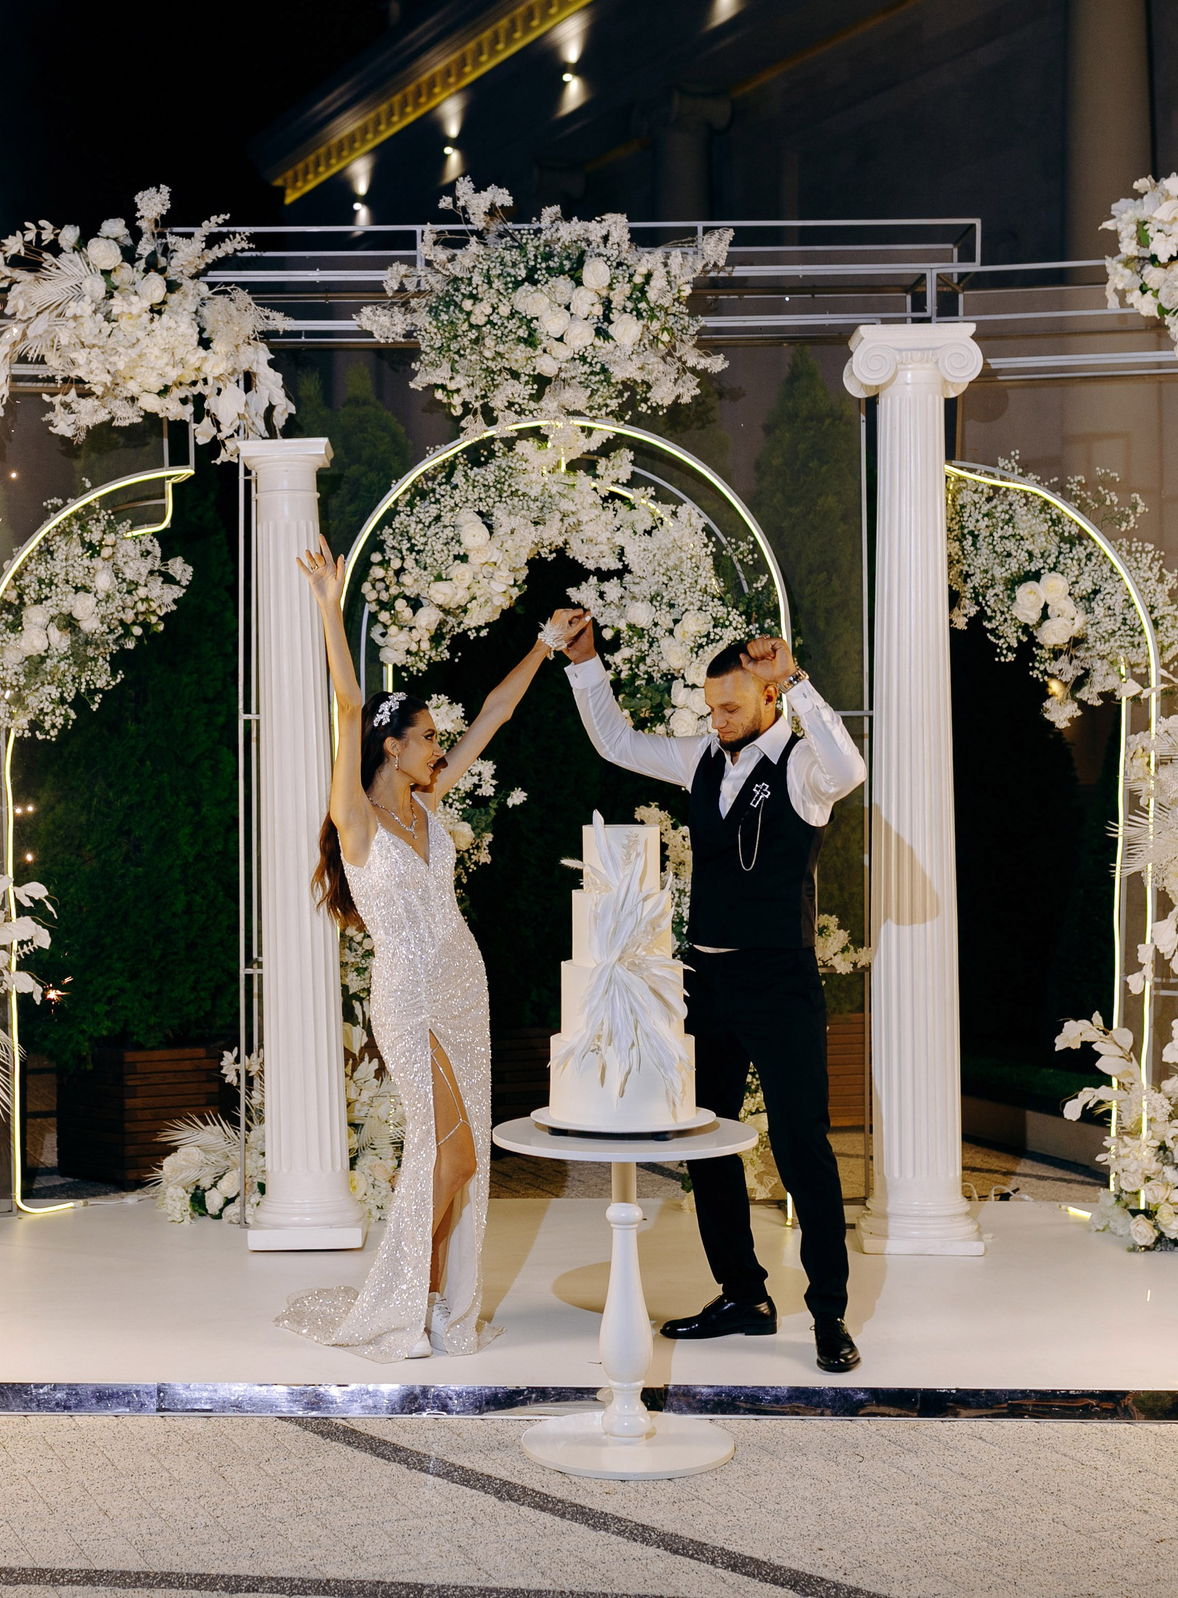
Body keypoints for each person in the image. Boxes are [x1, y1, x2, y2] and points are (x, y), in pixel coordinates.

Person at [555, 612, 869, 1373]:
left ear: (767, 698)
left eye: (731, 706)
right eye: (711, 707)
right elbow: (618, 743)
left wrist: (798, 679)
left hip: (780, 980)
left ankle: (829, 1315)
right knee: (702, 1136)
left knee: (803, 1149)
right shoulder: (701, 756)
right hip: (706, 978)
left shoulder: (801, 767)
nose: (717, 719)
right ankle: (744, 1294)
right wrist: (585, 663)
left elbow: (849, 771)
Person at [275, 534, 558, 1360]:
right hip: (408, 993)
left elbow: (498, 714)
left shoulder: (429, 805)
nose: (441, 746)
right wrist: (330, 608)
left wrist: (542, 646)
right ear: (393, 747)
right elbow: (349, 706)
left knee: (464, 1166)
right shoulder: (355, 818)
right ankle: (402, 1299)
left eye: (440, 737)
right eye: (430, 737)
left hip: (467, 988)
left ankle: (435, 1303)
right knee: (453, 1151)